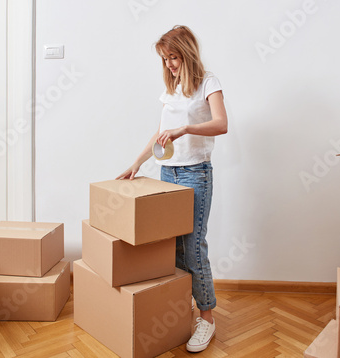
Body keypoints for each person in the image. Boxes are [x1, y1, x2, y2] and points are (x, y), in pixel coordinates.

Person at [117, 25, 227, 353]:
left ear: (187, 53)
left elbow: (221, 124)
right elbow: (160, 133)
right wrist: (137, 164)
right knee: (174, 248)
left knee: (193, 248)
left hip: (195, 175)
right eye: (165, 60)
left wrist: (185, 129)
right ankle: (183, 309)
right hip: (168, 173)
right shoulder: (172, 89)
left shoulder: (209, 83)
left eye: (174, 57)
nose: (169, 65)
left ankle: (207, 318)